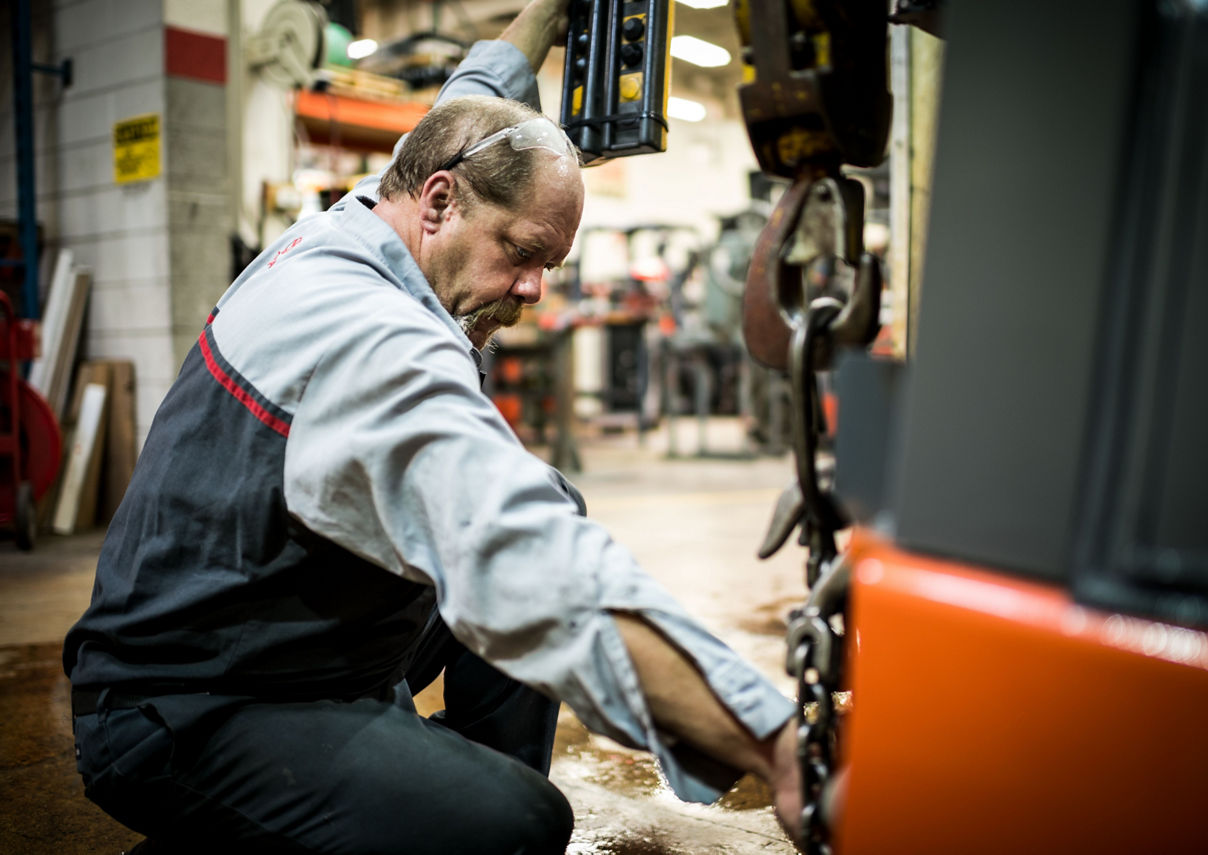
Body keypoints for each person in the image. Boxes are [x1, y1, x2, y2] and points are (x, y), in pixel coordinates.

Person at [63, 1, 802, 852]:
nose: (534, 290)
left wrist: (546, 16)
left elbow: (476, 91)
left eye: (549, 267)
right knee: (520, 822)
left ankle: (438, 788)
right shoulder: (370, 332)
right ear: (442, 201)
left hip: (279, 635)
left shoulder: (380, 213)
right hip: (184, 701)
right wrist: (776, 744)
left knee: (550, 493)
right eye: (524, 252)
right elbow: (526, 562)